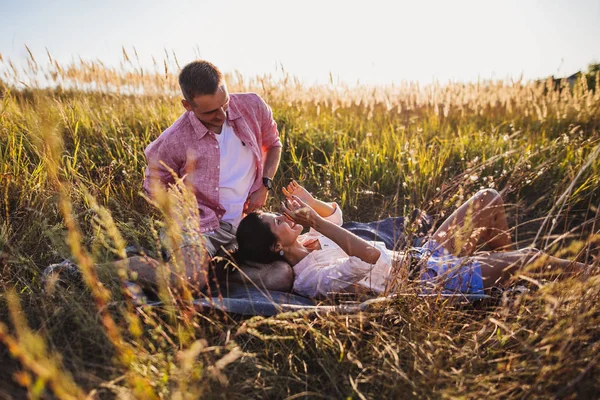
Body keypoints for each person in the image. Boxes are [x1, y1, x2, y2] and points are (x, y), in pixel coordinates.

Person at [236, 181, 592, 298]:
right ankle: (590, 278)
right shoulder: (311, 279)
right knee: (531, 256)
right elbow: (366, 259)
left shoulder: (311, 238)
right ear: (274, 247)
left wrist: (312, 205)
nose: (283, 216)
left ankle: (507, 284)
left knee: (487, 198)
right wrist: (316, 222)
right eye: (275, 221)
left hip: (420, 254)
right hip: (427, 279)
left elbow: (338, 218)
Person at [136, 60, 290, 291]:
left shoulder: (253, 106)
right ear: (187, 105)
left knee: (280, 277)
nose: (222, 114)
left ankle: (210, 269)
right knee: (191, 281)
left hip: (245, 228)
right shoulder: (174, 139)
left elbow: (273, 144)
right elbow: (154, 187)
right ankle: (106, 268)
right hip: (198, 228)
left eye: (224, 104)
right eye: (210, 112)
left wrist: (264, 185)